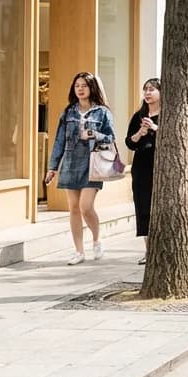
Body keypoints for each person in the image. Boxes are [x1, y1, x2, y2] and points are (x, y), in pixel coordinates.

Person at [45, 72, 116, 265]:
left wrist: (93, 134)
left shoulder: (102, 112)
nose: (80, 89)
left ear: (91, 88)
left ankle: (96, 239)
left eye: (84, 85)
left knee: (86, 207)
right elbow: (59, 140)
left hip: (92, 164)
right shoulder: (68, 112)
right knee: (74, 209)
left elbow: (111, 138)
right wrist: (53, 167)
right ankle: (78, 251)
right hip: (70, 163)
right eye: (77, 85)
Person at [125, 78, 161, 264]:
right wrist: (140, 133)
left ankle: (161, 249)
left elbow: (172, 140)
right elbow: (129, 143)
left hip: (160, 167)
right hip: (141, 168)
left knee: (159, 208)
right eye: (145, 89)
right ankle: (149, 252)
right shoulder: (139, 115)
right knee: (143, 207)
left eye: (152, 89)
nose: (148, 93)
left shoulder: (168, 115)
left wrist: (155, 128)